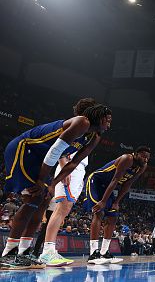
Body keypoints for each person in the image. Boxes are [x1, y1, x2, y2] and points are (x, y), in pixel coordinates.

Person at [0, 104, 112, 269]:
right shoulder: (82, 122)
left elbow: (73, 163)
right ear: (100, 118)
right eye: (108, 121)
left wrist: (52, 183)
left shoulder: (93, 137)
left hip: (41, 159)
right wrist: (41, 180)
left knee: (43, 202)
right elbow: (54, 151)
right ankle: (8, 253)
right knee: (33, 198)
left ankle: (24, 252)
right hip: (25, 148)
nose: (109, 125)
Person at [34, 98, 98, 266]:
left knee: (65, 209)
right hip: (69, 168)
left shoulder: (89, 130)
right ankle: (47, 251)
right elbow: (60, 147)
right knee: (61, 209)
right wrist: (63, 168)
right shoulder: (79, 125)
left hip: (78, 169)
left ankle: (49, 250)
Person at [83, 147, 150, 265]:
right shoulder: (127, 158)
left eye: (147, 158)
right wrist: (103, 201)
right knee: (99, 213)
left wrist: (116, 202)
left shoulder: (142, 167)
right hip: (96, 181)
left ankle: (104, 252)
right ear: (136, 154)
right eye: (143, 156)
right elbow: (115, 180)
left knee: (113, 217)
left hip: (108, 187)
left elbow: (127, 184)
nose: (145, 160)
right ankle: (93, 253)